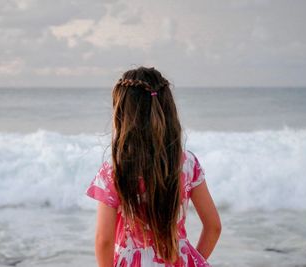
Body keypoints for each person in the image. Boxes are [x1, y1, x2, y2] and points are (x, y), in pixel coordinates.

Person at [86, 66, 221, 267]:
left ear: (122, 115)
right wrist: (194, 262)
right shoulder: (186, 164)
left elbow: (103, 240)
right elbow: (213, 226)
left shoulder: (115, 170)